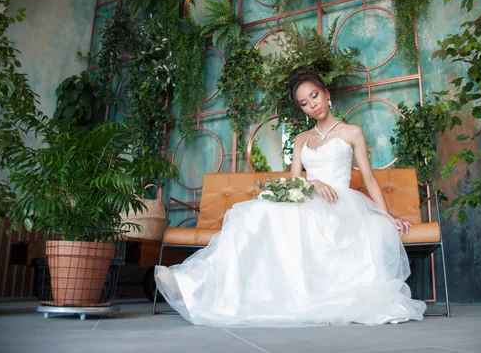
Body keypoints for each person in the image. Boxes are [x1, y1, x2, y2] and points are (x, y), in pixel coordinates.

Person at [155, 67, 426, 326]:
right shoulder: (301, 139)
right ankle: (192, 282)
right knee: (249, 213)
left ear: (326, 93)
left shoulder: (351, 132)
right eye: (304, 103)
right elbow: (295, 178)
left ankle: (195, 283)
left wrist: (387, 216)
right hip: (306, 198)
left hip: (339, 205)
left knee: (263, 216)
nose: (312, 105)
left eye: (314, 96)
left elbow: (368, 178)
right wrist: (314, 181)